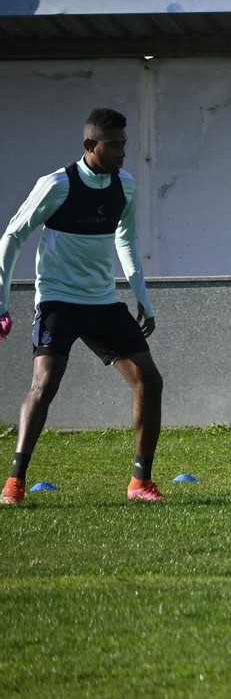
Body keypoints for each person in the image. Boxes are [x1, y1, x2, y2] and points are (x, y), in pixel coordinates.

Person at [0, 108, 165, 504]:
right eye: (114, 145)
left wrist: (143, 297)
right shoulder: (57, 185)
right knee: (46, 383)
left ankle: (140, 482)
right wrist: (1, 301)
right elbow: (13, 236)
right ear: (91, 146)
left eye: (125, 144)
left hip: (102, 300)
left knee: (150, 380)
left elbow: (126, 239)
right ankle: (15, 482)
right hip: (58, 299)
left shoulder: (125, 185)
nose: (123, 153)